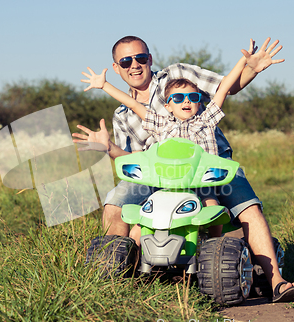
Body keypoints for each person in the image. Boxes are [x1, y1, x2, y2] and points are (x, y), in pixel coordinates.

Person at [73, 36, 294, 302]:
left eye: (141, 58)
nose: (135, 65)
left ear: (150, 58)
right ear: (116, 67)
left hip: (212, 169)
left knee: (243, 207)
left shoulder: (180, 80)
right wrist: (108, 147)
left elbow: (226, 88)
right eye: (126, 61)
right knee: (121, 208)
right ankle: (115, 282)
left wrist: (248, 66)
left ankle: (275, 280)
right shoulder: (131, 116)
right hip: (159, 174)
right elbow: (133, 158)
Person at [80, 44, 252, 238]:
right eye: (178, 98)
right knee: (139, 229)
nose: (186, 102)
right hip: (167, 184)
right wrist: (104, 86)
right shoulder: (163, 125)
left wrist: (244, 62)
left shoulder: (206, 121)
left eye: (192, 97)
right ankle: (133, 264)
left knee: (212, 209)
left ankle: (213, 247)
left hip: (201, 182)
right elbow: (133, 104)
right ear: (167, 105)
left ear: (199, 102)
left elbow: (224, 88)